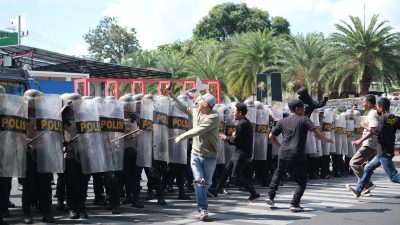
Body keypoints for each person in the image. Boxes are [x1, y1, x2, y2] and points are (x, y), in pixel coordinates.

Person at [265, 99, 333, 212]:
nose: (304, 110)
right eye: (302, 108)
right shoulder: (304, 119)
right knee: (301, 180)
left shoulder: (282, 121)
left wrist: (279, 146)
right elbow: (315, 133)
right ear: (297, 109)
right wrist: (325, 139)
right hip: (297, 153)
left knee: (278, 173)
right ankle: (295, 203)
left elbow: (271, 136)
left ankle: (270, 196)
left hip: (284, 152)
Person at [168, 87, 219, 221]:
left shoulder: (214, 116)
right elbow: (183, 107)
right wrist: (172, 95)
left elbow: (198, 130)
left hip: (210, 156)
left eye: (200, 99)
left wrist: (181, 136)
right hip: (195, 154)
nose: (197, 100)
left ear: (205, 104)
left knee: (206, 182)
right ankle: (203, 209)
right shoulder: (196, 111)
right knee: (199, 181)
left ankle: (201, 190)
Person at [347, 97, 400, 198]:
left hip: (384, 152)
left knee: (394, 177)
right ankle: (358, 190)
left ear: (380, 107)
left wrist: (365, 126)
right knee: (368, 168)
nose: (376, 108)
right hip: (383, 150)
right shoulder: (395, 118)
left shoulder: (383, 118)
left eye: (377, 106)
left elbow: (377, 132)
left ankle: (360, 189)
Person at [209, 102, 260, 201]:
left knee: (235, 177)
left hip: (241, 154)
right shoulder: (245, 123)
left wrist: (225, 137)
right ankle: (216, 190)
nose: (233, 113)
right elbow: (239, 138)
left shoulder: (243, 124)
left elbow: (235, 141)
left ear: (240, 113)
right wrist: (233, 136)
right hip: (239, 153)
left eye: (234, 111)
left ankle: (254, 193)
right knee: (226, 171)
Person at [349, 95, 379, 195]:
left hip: (369, 144)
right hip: (373, 144)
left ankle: (367, 185)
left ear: (369, 103)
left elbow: (373, 130)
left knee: (354, 163)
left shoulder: (372, 114)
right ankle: (364, 188)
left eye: (364, 102)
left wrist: (360, 140)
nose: (362, 104)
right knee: (365, 166)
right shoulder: (373, 113)